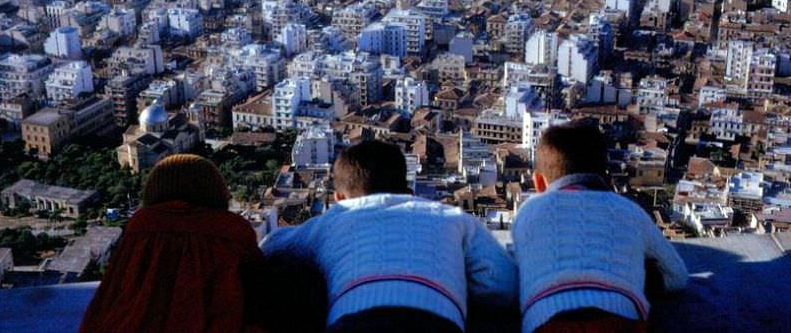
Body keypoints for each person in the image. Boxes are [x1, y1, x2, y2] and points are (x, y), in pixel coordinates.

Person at [260, 139, 518, 333]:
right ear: (409, 191)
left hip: (354, 320)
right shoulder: (452, 217)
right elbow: (502, 283)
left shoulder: (330, 221)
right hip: (435, 320)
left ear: (338, 199)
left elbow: (271, 246)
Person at [512, 122, 688, 333]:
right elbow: (677, 276)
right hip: (620, 321)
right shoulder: (629, 210)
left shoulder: (528, 212)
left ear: (538, 182)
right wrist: (634, 275)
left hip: (548, 322)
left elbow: (512, 275)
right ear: (607, 176)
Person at [80, 154, 263, 333]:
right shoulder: (232, 228)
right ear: (215, 188)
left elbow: (114, 287)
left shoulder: (141, 225)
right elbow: (257, 293)